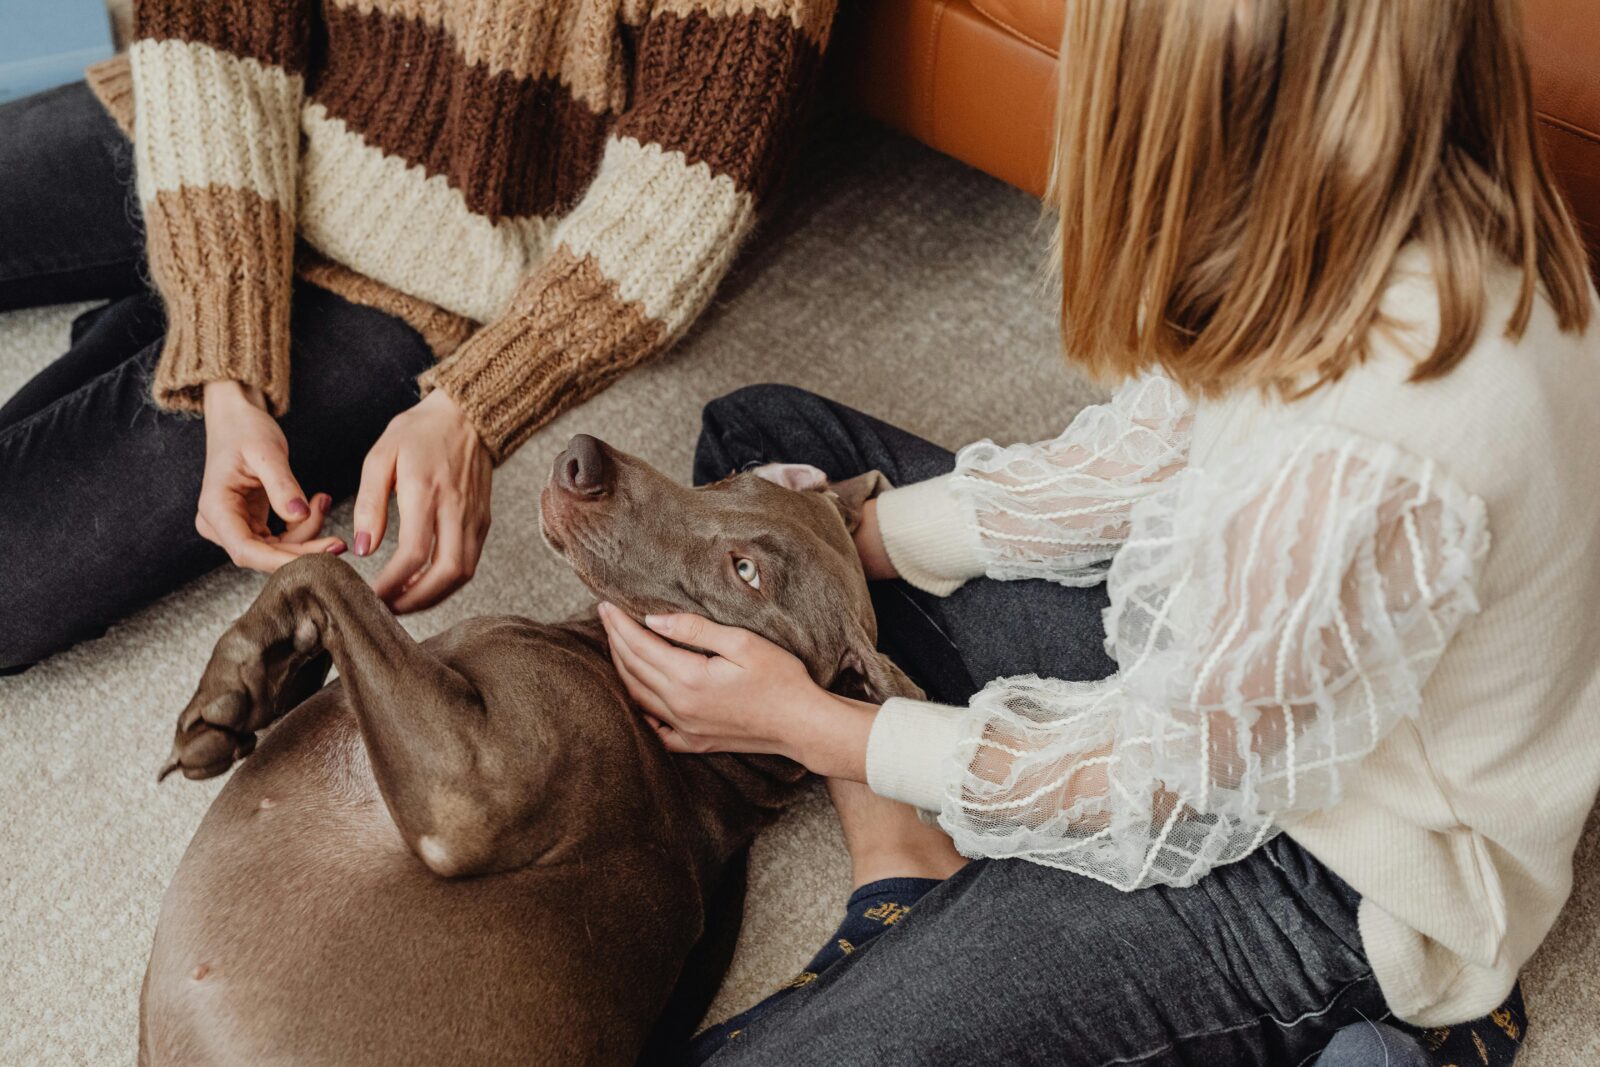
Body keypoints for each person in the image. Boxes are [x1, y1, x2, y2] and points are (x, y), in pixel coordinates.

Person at [595, 1, 1599, 1063]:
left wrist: (818, 729)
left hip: (1333, 877)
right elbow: (1142, 461)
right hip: (1243, 695)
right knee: (770, 448)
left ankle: (1397, 1035)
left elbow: (1168, 774)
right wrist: (863, 536)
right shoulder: (1369, 229)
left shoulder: (1372, 447)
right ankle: (906, 856)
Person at [0, 0, 835, 671]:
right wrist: (222, 354)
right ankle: (148, 321)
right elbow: (217, 23)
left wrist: (476, 406)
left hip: (434, 285)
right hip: (242, 116)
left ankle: (135, 331)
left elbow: (686, 188)